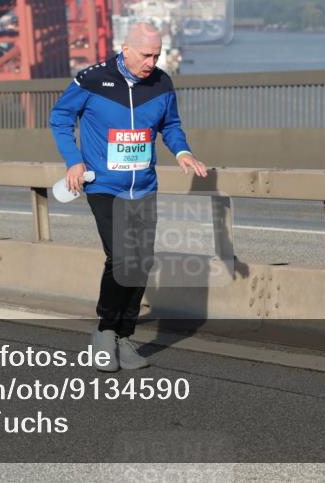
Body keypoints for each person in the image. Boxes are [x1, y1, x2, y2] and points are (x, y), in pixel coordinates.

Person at [49, 24, 207, 372]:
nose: (152, 62)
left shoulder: (161, 83)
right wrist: (73, 160)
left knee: (141, 262)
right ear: (126, 49)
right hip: (104, 186)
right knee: (122, 257)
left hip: (144, 187)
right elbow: (60, 117)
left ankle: (124, 336)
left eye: (157, 55)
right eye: (146, 55)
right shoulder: (92, 80)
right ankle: (105, 332)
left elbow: (170, 125)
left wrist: (182, 152)